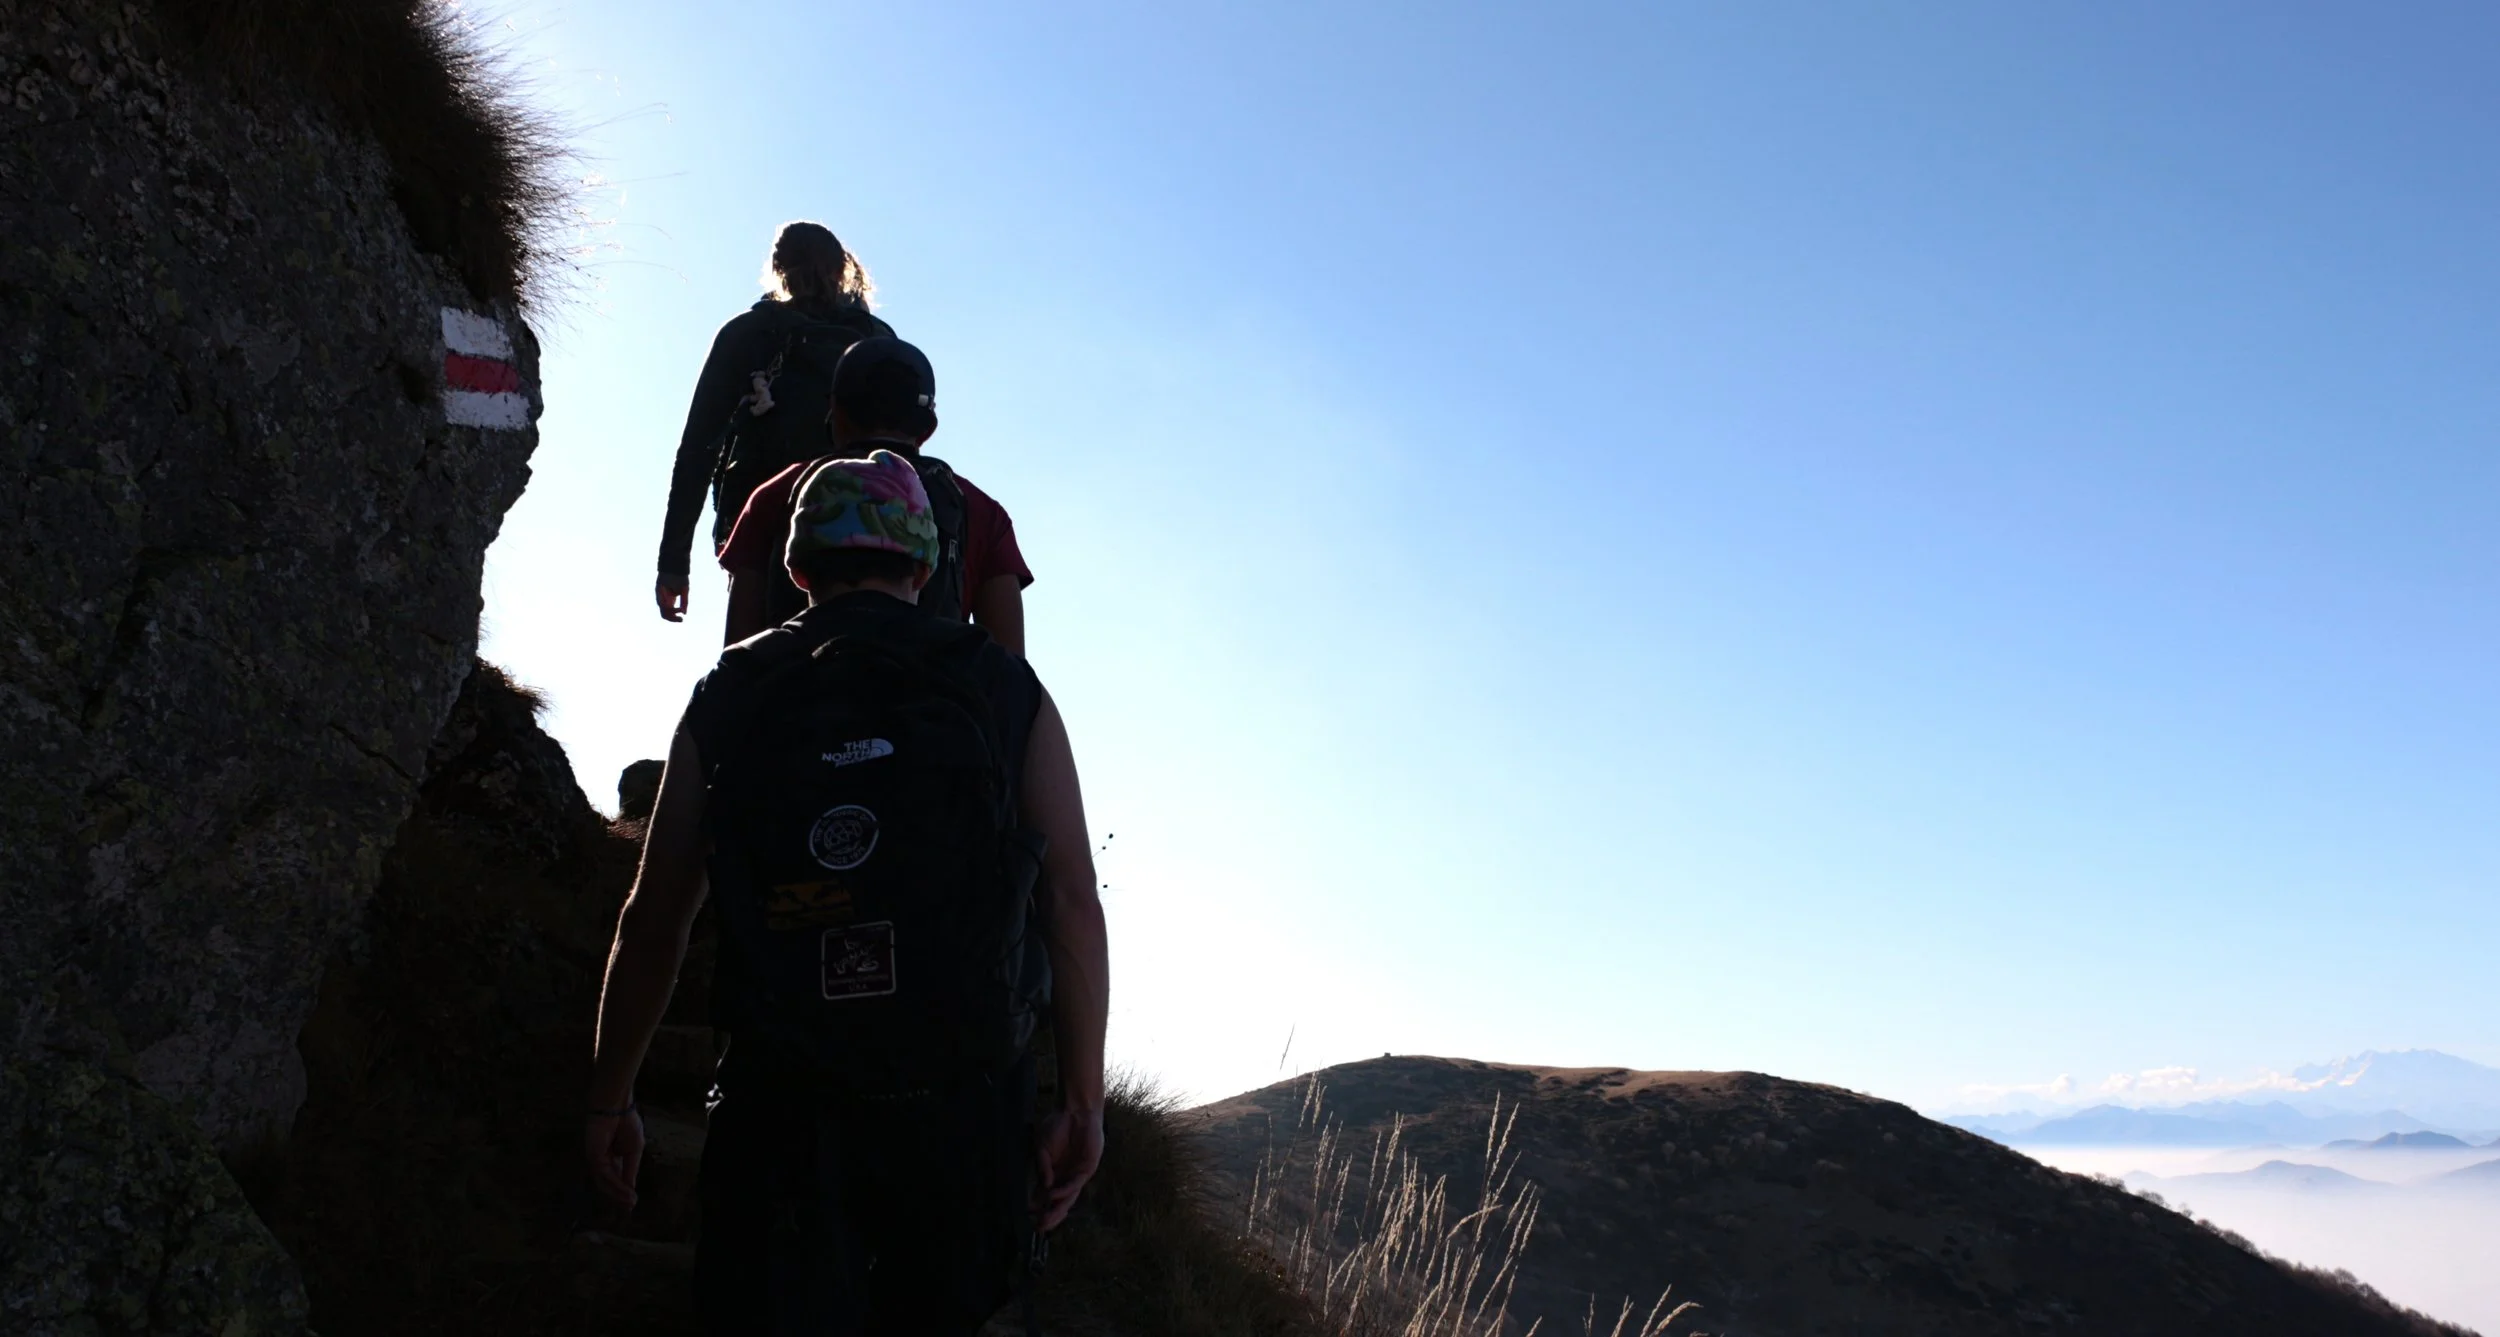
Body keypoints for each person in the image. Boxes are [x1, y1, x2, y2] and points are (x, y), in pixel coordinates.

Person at [586, 452, 1108, 1336]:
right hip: (962, 1102)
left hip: (782, 1104)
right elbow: (1070, 901)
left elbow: (656, 913)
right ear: (923, 562)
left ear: (797, 567)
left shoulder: (733, 688)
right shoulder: (999, 684)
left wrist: (610, 1096)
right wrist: (1083, 1105)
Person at [717, 336, 1032, 651]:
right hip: (932, 696)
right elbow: (1012, 670)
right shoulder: (979, 510)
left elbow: (738, 650)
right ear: (928, 428)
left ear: (835, 413)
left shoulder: (775, 495)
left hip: (797, 695)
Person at [657, 221, 895, 631]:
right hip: (871, 535)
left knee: (755, 674)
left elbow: (697, 450)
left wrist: (673, 563)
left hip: (766, 535)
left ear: (778, 269)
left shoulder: (747, 333)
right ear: (843, 269)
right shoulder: (879, 341)